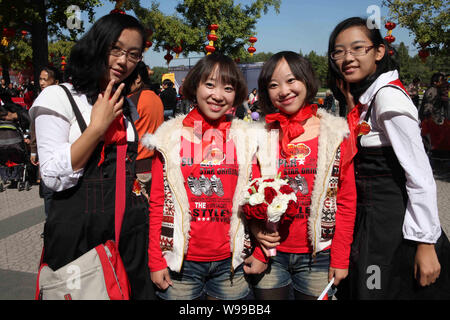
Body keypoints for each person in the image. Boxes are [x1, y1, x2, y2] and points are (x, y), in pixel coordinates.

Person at [29, 13, 154, 299]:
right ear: (98, 45)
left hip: (128, 235)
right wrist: (97, 127)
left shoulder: (127, 106)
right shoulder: (58, 98)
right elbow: (52, 176)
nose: (123, 61)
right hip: (79, 239)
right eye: (116, 49)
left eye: (133, 55)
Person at [327, 16, 450, 299]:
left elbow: (419, 175)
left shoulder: (388, 99)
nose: (347, 58)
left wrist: (425, 244)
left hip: (392, 230)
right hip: (375, 225)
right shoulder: (370, 99)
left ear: (379, 51)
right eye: (339, 51)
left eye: (358, 48)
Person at [144, 53, 264, 300]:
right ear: (194, 85)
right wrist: (156, 259)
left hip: (231, 264)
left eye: (228, 88)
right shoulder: (169, 138)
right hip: (181, 264)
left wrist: (262, 253)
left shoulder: (247, 138)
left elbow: (260, 198)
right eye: (209, 84)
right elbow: (158, 202)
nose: (218, 95)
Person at [246, 51, 357, 300]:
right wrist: (256, 232)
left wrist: (340, 257)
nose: (283, 90)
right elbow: (250, 193)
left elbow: (347, 201)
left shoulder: (336, 132)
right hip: (271, 254)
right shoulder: (260, 135)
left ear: (307, 80)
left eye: (291, 80)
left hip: (320, 257)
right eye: (273, 85)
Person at [127, 61, 164, 199]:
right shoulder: (156, 98)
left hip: (137, 165)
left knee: (138, 212)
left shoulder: (131, 101)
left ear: (137, 78)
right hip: (154, 164)